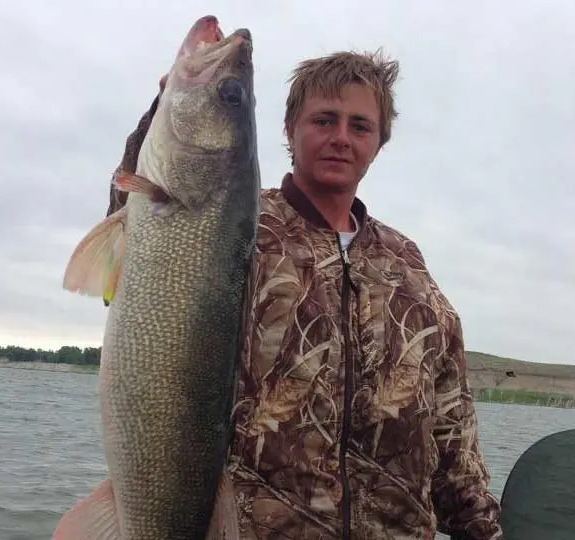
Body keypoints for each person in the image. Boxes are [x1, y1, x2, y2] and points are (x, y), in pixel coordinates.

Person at [106, 49, 503, 540]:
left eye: (360, 126)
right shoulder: (234, 226)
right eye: (324, 119)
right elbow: (140, 254)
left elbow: (450, 422)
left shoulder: (408, 265)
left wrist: (481, 528)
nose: (341, 137)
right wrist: (162, 117)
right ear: (290, 128)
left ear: (379, 143)